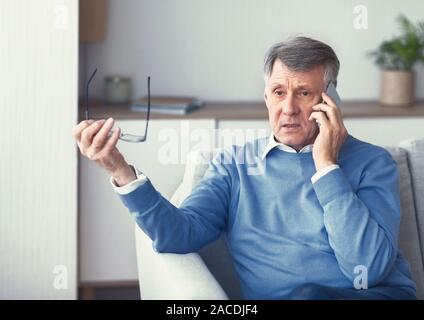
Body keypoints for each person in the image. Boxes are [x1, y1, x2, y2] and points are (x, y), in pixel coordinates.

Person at [73, 36, 416, 299]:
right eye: (279, 92)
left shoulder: (373, 164)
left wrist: (326, 167)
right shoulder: (233, 167)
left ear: (331, 101)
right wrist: (119, 169)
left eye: (304, 93)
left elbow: (367, 269)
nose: (289, 108)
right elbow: (177, 234)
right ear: (266, 98)